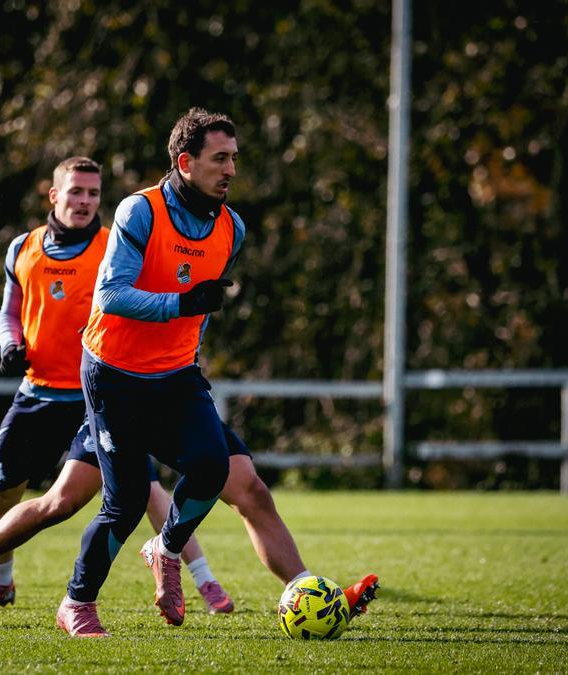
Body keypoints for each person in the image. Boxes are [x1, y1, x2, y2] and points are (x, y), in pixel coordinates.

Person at [54, 109, 378, 638]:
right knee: (127, 501)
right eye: (219, 159)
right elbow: (110, 295)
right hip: (114, 374)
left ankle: (167, 549)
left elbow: (202, 307)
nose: (231, 170)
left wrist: (188, 339)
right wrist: (180, 304)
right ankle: (77, 603)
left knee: (211, 466)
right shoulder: (140, 211)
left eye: (234, 159)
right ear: (185, 163)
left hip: (176, 375)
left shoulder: (232, 227)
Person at [0, 156, 235, 615]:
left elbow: (142, 296)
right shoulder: (23, 248)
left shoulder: (114, 243)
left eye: (93, 193)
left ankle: (204, 580)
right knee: (14, 493)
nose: (85, 201)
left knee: (137, 492)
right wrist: (10, 342)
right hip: (39, 393)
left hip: (100, 394)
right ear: (54, 195)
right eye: (76, 192)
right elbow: (9, 311)